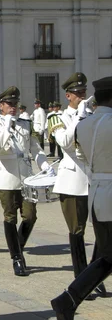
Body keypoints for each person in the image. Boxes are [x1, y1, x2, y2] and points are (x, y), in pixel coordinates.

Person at [51, 75, 112, 320]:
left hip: (98, 192)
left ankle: (69, 299)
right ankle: (68, 299)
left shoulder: (85, 125)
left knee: (108, 256)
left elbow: (81, 157)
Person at [0, 86, 53, 276]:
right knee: (10, 217)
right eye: (9, 104)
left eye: (15, 104)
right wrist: (6, 129)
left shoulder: (26, 124)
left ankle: (18, 247)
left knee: (30, 216)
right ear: (1, 106)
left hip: (26, 177)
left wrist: (45, 166)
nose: (13, 107)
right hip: (6, 178)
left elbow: (36, 149)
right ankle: (17, 258)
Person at [47, 72, 100, 290]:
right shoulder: (57, 118)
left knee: (103, 230)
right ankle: (81, 281)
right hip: (72, 182)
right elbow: (66, 142)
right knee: (77, 232)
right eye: (77, 93)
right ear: (68, 96)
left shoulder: (92, 115)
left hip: (94, 180)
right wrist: (80, 115)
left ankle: (95, 276)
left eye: (84, 92)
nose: (82, 96)